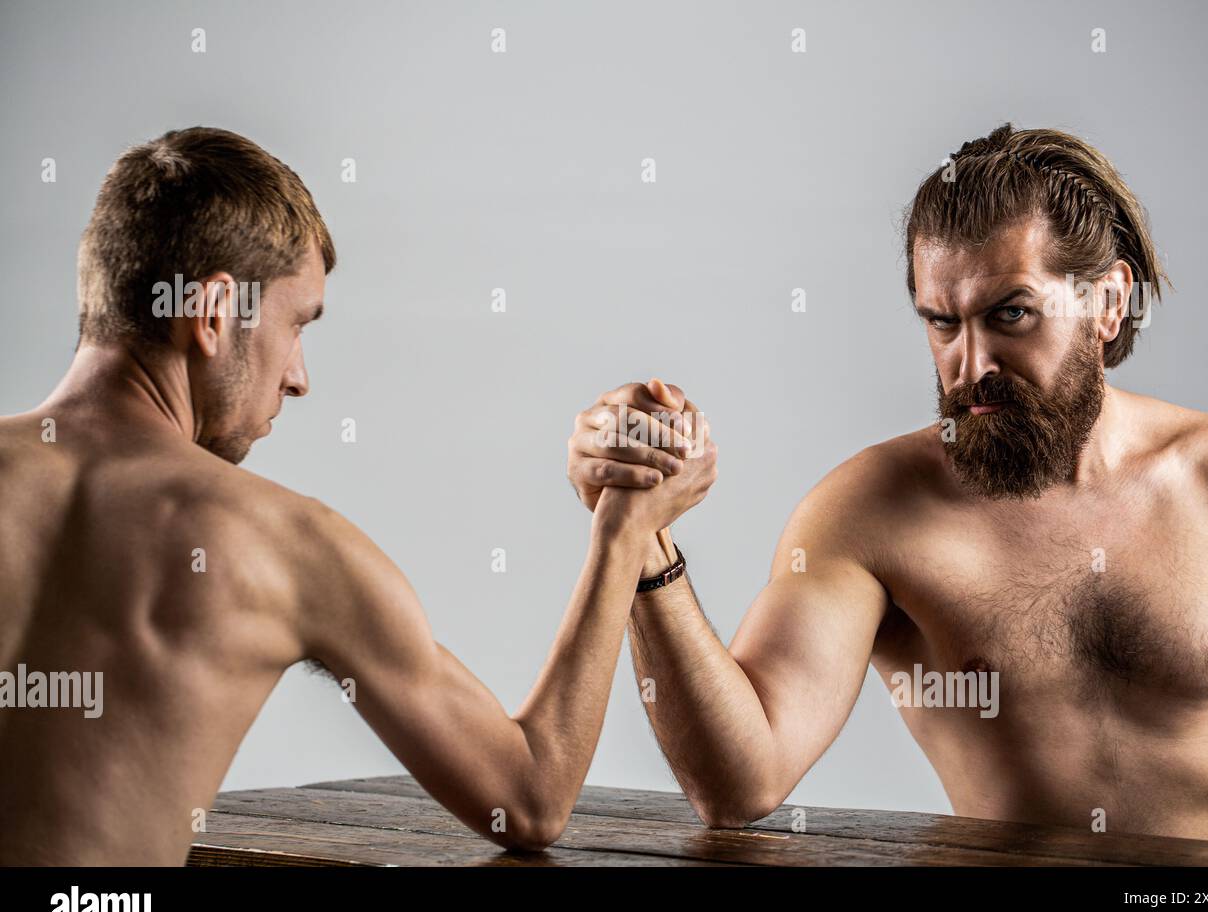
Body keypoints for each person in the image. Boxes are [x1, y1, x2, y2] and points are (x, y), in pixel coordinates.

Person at [0, 127, 717, 864]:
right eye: (297, 323)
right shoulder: (285, 545)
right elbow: (529, 797)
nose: (299, 377)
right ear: (213, 312)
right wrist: (624, 532)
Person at [567, 124, 1208, 845]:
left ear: (1109, 303)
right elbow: (739, 783)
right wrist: (641, 532)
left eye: (1010, 314)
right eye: (942, 323)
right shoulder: (870, 514)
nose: (971, 362)